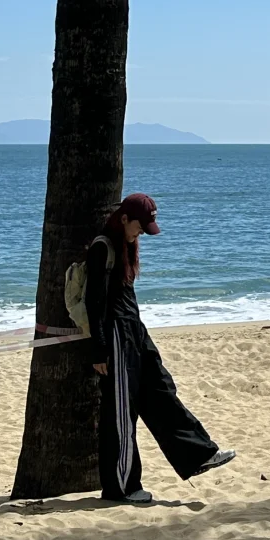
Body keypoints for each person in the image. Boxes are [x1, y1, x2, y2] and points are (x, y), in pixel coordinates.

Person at [85, 192, 235, 504]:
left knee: (162, 391)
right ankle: (121, 489)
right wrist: (99, 350)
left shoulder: (126, 245)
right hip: (114, 336)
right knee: (122, 416)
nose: (142, 233)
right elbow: (94, 302)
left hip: (135, 332)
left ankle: (199, 455)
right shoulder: (103, 247)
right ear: (125, 219)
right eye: (140, 226)